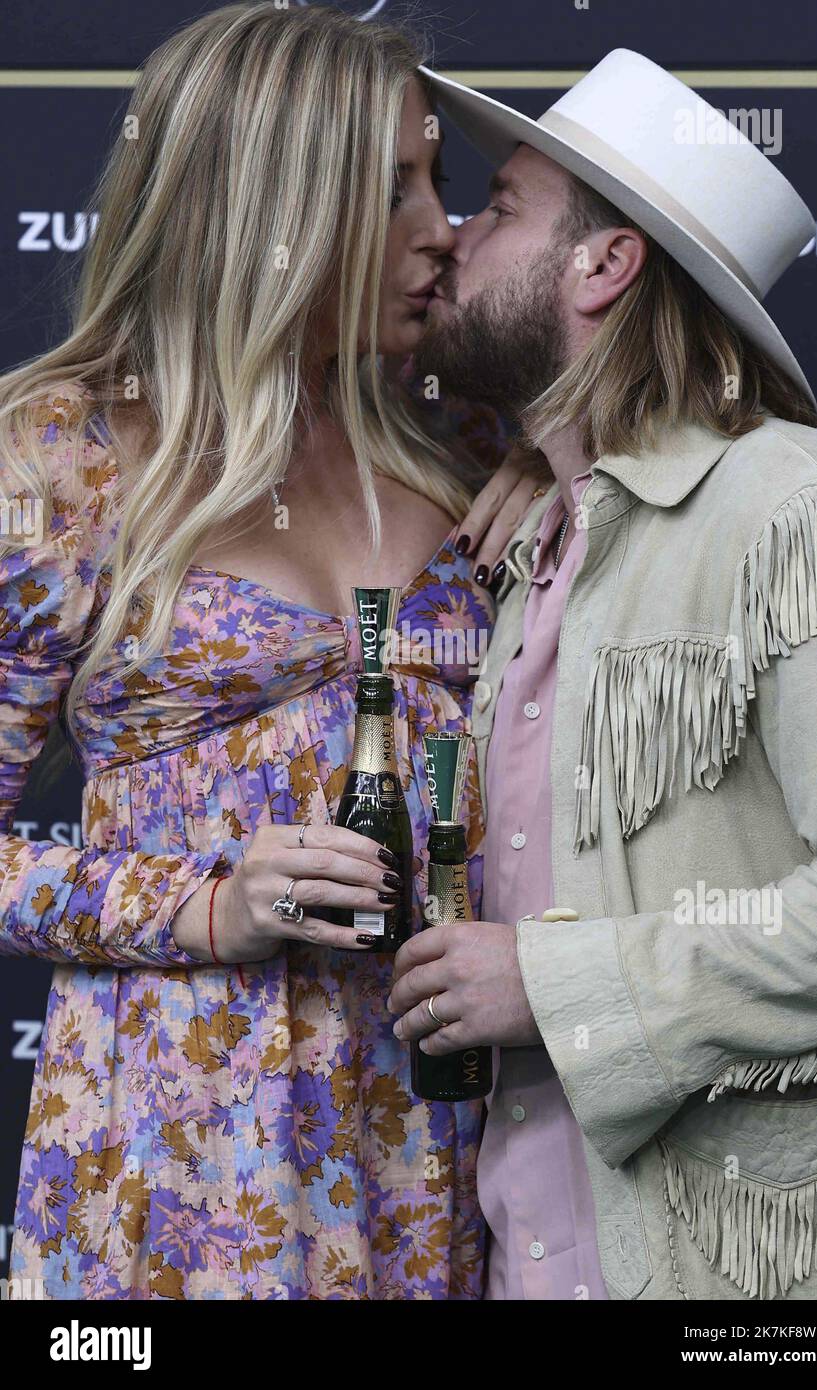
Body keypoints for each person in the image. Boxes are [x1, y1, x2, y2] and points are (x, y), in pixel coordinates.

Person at [0, 4, 537, 1300]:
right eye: (392, 188)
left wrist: (561, 479)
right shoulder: (64, 453)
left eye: (442, 183)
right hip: (182, 1158)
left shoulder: (473, 439)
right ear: (276, 207)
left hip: (446, 1130)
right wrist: (207, 903)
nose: (441, 232)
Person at [389, 48, 817, 1300]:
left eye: (499, 209)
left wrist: (549, 982)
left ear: (603, 266)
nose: (452, 238)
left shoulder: (804, 509)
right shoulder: (536, 540)